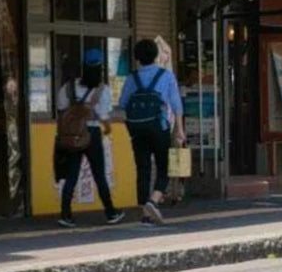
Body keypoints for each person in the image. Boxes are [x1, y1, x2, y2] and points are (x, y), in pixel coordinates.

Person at [55, 49, 125, 227]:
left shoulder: (68, 87)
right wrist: (107, 128)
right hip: (92, 134)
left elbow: (61, 108)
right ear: (101, 68)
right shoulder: (102, 89)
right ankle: (110, 212)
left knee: (71, 176)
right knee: (99, 175)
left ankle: (65, 214)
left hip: (71, 136)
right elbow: (103, 115)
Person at [119, 39, 185, 225]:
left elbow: (123, 103)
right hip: (159, 126)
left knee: (143, 168)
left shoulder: (132, 77)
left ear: (137, 58)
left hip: (137, 128)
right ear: (155, 55)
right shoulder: (165, 76)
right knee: (164, 166)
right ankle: (153, 201)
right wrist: (179, 129)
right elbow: (176, 104)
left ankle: (144, 212)